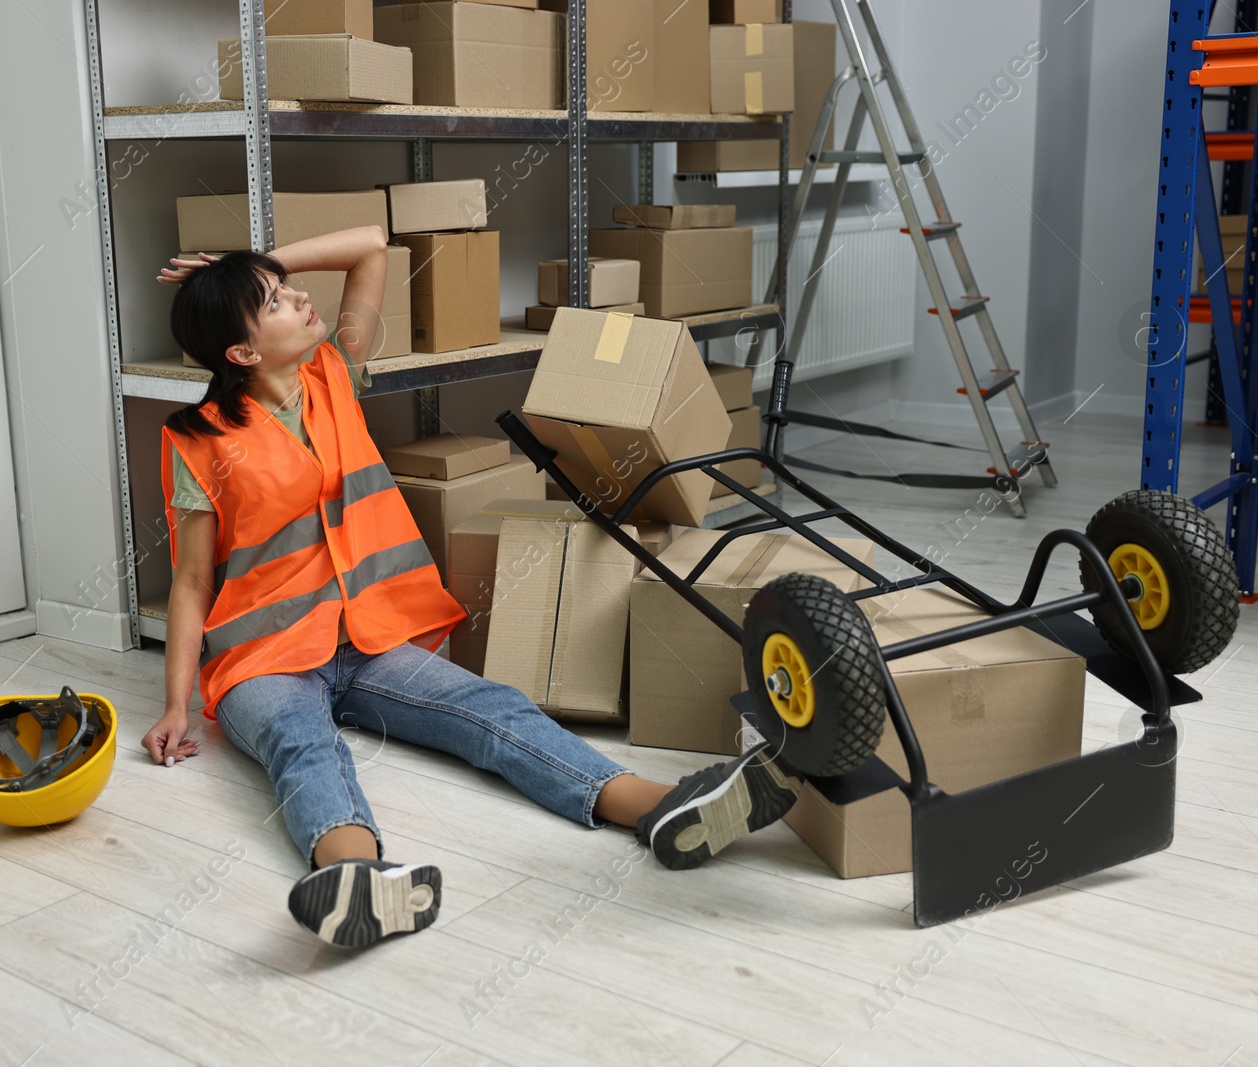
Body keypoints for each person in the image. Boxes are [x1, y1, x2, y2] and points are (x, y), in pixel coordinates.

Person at [141, 226, 801, 950]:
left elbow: (369, 247)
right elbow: (193, 581)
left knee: (491, 709)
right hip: (264, 657)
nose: (299, 297)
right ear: (241, 352)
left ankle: (658, 808)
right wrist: (177, 703)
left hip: (369, 636)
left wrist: (248, 268)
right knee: (304, 745)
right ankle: (358, 881)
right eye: (273, 301)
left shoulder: (333, 373)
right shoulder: (197, 440)